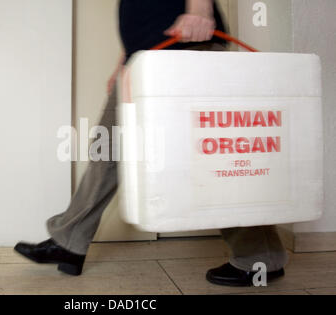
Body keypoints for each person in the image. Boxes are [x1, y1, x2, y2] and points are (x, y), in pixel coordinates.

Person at [15, 0, 288, 287]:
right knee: (107, 149)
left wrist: (200, 10)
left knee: (211, 157)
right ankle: (69, 241)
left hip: (185, 46)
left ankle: (260, 257)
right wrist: (124, 61)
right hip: (143, 58)